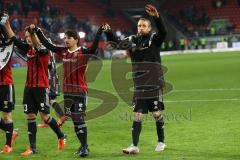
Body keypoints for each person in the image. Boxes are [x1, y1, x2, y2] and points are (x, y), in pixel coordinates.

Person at [31, 23, 104, 157]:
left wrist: (99, 32)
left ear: (76, 39)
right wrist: (38, 31)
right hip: (68, 92)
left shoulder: (83, 51)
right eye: (65, 37)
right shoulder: (63, 51)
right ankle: (83, 146)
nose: (66, 40)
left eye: (69, 37)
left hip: (80, 91)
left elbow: (94, 48)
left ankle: (85, 147)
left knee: (79, 119)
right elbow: (49, 45)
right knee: (75, 121)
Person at [104, 4, 167, 154]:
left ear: (149, 28)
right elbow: (116, 44)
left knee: (156, 113)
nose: (141, 28)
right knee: (137, 115)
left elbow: (163, 32)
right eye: (139, 26)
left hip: (154, 83)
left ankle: (161, 141)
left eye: (144, 26)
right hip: (139, 84)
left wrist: (157, 17)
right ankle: (134, 145)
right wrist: (109, 32)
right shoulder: (132, 40)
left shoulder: (154, 39)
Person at [4, 15, 66, 156]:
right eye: (25, 36)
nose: (26, 38)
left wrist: (33, 32)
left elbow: (38, 44)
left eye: (28, 36)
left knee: (45, 117)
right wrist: (7, 24)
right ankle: (32, 148)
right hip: (29, 88)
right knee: (30, 116)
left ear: (33, 37)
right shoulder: (28, 49)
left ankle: (61, 136)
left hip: (41, 88)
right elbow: (14, 39)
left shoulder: (43, 49)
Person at [0, 22, 18, 154]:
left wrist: (4, 24)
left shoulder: (7, 47)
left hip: (6, 84)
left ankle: (8, 145)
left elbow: (9, 37)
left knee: (6, 115)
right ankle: (11, 132)